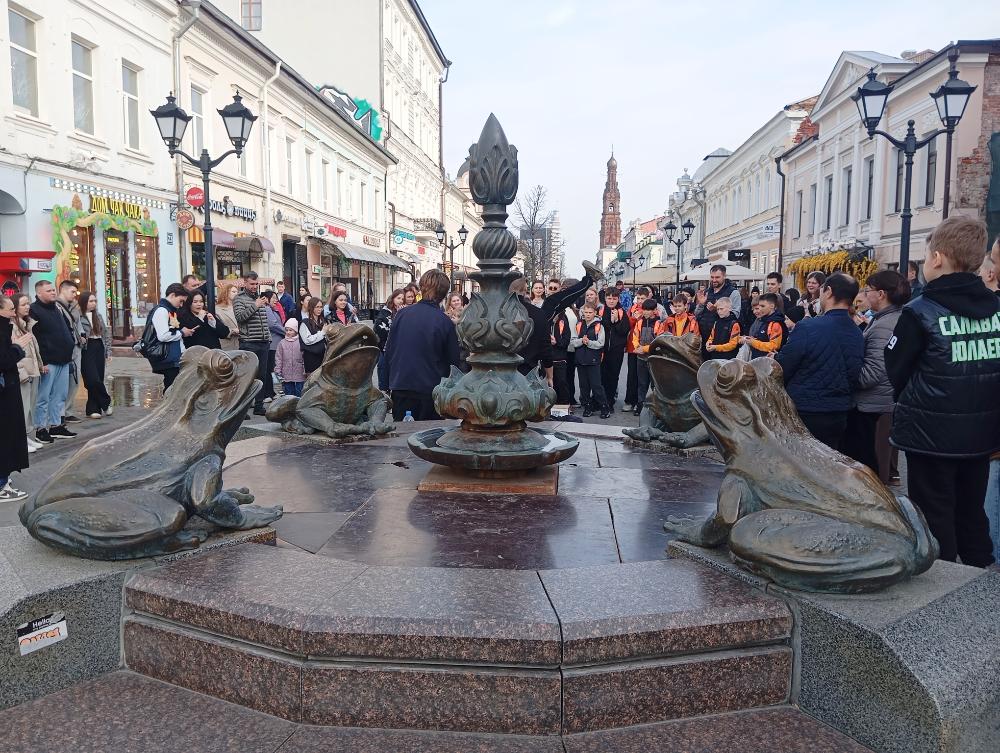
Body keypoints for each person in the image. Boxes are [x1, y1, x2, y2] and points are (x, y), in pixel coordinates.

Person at [886, 217, 1000, 568]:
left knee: (934, 515)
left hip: (930, 436)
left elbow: (896, 369)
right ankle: (981, 579)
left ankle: (942, 581)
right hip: (980, 434)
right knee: (972, 511)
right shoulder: (996, 309)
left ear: (937, 258)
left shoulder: (919, 312)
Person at [775, 273, 864, 450]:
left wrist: (775, 359)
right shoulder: (856, 331)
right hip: (839, 411)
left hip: (805, 409)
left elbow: (784, 365)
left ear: (828, 291)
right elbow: (854, 370)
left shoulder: (809, 326)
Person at [842, 270, 909, 482]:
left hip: (874, 406)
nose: (864, 295)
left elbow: (872, 373)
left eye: (867, 290)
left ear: (881, 294)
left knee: (872, 470)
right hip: (880, 403)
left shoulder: (884, 325)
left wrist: (845, 374)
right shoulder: (886, 318)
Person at [383, 270, 460, 421]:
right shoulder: (444, 322)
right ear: (444, 294)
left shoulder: (402, 315)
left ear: (421, 288)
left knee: (402, 432)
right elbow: (453, 363)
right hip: (430, 389)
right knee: (429, 432)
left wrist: (388, 383)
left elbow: (390, 351)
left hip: (402, 386)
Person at [30, 280, 77, 442]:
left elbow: (66, 328)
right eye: (48, 291)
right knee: (43, 397)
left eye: (53, 290)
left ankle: (56, 425)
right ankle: (40, 428)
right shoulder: (34, 310)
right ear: (39, 293)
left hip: (63, 359)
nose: (53, 292)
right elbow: (35, 338)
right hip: (48, 361)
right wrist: (41, 361)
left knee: (60, 395)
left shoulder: (56, 308)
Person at [0, 295, 31, 500]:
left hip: (7, 389)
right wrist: (17, 347)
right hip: (4, 393)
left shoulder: (5, 328)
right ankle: (1, 485)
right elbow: (3, 360)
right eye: (10, 309)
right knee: (5, 436)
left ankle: (3, 478)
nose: (14, 312)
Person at [233, 271, 272, 416]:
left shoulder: (259, 298)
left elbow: (263, 321)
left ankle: (259, 405)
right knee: (247, 377)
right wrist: (255, 305)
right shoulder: (239, 299)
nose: (255, 286)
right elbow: (240, 317)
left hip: (263, 342)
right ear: (245, 283)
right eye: (252, 284)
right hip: (249, 342)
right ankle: (243, 409)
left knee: (262, 376)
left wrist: (268, 337)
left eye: (256, 283)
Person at [13, 294, 43, 452]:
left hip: (32, 371)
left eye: (28, 303)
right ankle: (20, 441)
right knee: (22, 408)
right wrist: (21, 373)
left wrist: (39, 365)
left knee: (29, 407)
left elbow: (33, 348)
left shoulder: (26, 324)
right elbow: (13, 352)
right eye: (23, 304)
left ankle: (26, 438)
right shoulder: (12, 326)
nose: (27, 307)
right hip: (23, 374)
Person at [149, 283, 193, 392]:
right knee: (171, 389)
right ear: (172, 295)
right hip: (168, 358)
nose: (181, 305)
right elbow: (163, 335)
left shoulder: (170, 311)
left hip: (173, 358)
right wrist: (182, 333)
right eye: (181, 301)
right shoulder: (162, 311)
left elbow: (173, 332)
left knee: (175, 388)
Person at [510, 278, 553, 383]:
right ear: (525, 290)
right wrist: (549, 376)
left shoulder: (498, 312)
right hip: (528, 373)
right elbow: (545, 347)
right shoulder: (538, 314)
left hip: (499, 372)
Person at [571, 302, 609, 418]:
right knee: (584, 386)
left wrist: (589, 343)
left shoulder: (599, 326)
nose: (587, 314)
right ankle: (587, 407)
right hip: (580, 360)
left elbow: (601, 343)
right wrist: (581, 341)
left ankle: (604, 407)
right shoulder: (579, 324)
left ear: (595, 313)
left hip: (593, 360)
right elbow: (573, 341)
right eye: (586, 312)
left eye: (590, 312)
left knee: (596, 385)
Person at [78, 291, 112, 419]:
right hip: (87, 348)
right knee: (92, 379)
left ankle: (93, 409)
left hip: (99, 346)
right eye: (91, 301)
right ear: (84, 302)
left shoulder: (98, 315)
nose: (94, 303)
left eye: (95, 301)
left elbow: (105, 334)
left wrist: (108, 351)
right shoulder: (78, 316)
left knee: (99, 377)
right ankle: (106, 402)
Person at [695, 265, 742, 358]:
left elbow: (735, 315)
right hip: (704, 336)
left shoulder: (733, 292)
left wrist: (716, 310)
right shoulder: (707, 291)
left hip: (722, 337)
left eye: (717, 277)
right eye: (712, 277)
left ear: (724, 276)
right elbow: (696, 314)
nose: (714, 280)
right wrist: (701, 304)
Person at [631, 298, 667, 415]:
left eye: (649, 310)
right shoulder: (639, 322)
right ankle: (640, 404)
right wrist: (637, 347)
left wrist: (644, 349)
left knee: (654, 385)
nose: (646, 312)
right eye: (644, 309)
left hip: (654, 359)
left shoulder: (659, 324)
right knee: (642, 383)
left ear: (655, 310)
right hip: (641, 358)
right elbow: (635, 336)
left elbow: (658, 341)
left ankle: (656, 406)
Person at [55, 280, 83, 424]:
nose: (74, 295)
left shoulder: (74, 307)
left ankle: (67, 411)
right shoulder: (56, 307)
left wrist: (82, 336)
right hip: (64, 349)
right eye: (72, 292)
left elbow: (77, 324)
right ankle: (59, 414)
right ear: (63, 290)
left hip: (76, 347)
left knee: (74, 380)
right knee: (62, 383)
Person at [600, 287, 630, 412]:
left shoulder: (622, 312)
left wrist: (617, 321)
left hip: (616, 350)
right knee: (601, 376)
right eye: (609, 298)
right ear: (605, 298)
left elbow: (624, 331)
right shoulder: (601, 310)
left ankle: (610, 401)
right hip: (602, 349)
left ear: (618, 299)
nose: (611, 301)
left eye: (614, 298)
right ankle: (600, 400)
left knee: (613, 376)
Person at [374, 289, 404, 389]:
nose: (400, 301)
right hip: (384, 349)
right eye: (398, 298)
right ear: (393, 298)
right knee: (384, 372)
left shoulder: (402, 311)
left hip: (397, 350)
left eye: (402, 299)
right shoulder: (384, 312)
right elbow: (379, 329)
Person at [743, 293, 786, 359]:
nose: (760, 309)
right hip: (759, 359)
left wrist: (753, 342)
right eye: (760, 306)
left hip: (767, 361)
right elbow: (763, 339)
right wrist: (752, 339)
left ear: (772, 306)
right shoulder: (765, 320)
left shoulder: (775, 323)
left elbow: (774, 346)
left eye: (762, 306)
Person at [261, 290, 286, 403]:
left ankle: (271, 392)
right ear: (267, 299)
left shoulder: (273, 309)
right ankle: (268, 393)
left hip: (276, 342)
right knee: (270, 369)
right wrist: (286, 331)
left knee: (271, 369)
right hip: (272, 343)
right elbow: (273, 324)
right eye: (274, 298)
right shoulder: (267, 309)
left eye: (276, 298)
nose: (276, 300)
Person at [274, 319, 306, 397]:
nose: (288, 332)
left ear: (296, 331)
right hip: (286, 372)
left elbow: (304, 356)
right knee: (288, 393)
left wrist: (305, 368)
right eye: (287, 330)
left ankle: (298, 404)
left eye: (291, 330)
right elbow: (278, 357)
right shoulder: (282, 343)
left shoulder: (300, 342)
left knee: (299, 391)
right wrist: (278, 369)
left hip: (299, 372)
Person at [705, 295, 741, 360]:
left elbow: (733, 344)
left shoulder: (734, 324)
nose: (719, 311)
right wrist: (708, 343)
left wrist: (716, 347)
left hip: (728, 358)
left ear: (730, 309)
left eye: (721, 309)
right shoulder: (716, 322)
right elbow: (711, 337)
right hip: (715, 356)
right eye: (717, 309)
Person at [299, 297, 327, 375]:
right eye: (317, 307)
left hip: (323, 356)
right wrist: (322, 333)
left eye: (321, 307)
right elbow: (307, 340)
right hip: (311, 357)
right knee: (312, 379)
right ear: (311, 307)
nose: (319, 309)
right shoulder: (305, 322)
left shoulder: (323, 322)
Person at [214, 281, 241, 350]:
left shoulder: (239, 307)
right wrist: (232, 331)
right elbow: (217, 327)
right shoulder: (217, 309)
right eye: (233, 292)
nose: (236, 294)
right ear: (226, 293)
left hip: (240, 343)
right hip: (226, 344)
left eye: (237, 292)